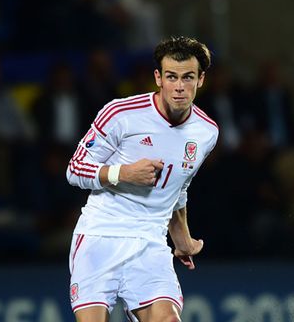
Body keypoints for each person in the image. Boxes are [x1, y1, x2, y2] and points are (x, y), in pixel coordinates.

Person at [66, 36, 218, 322]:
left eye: (188, 77)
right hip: (101, 236)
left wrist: (181, 237)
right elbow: (74, 169)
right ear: (158, 78)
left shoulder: (206, 132)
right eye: (172, 77)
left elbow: (179, 187)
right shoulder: (121, 113)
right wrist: (123, 173)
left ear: (200, 80)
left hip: (150, 242)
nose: (179, 86)